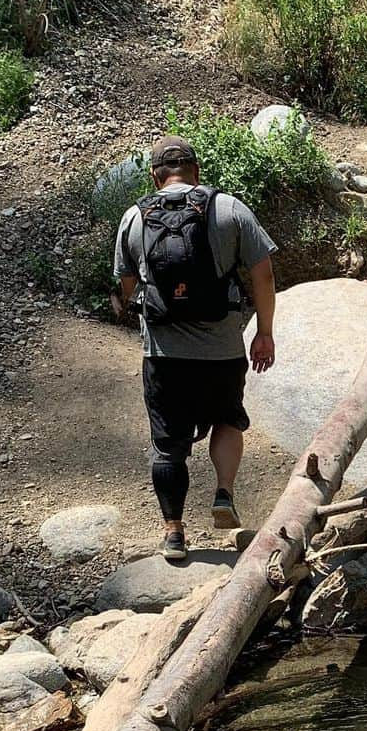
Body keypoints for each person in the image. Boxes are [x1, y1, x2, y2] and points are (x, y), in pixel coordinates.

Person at [113, 134, 278, 560]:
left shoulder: (134, 217)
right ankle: (223, 492)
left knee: (168, 446)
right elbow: (264, 275)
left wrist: (125, 301)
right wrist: (264, 331)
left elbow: (128, 285)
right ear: (196, 171)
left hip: (164, 356)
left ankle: (173, 533)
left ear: (155, 176)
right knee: (227, 420)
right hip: (222, 351)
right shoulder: (229, 208)